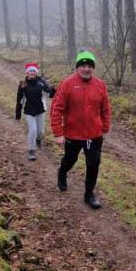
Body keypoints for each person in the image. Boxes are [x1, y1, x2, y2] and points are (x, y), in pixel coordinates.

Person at [51, 51, 111, 209]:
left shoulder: (100, 85)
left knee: (93, 164)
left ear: (93, 68)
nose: (86, 69)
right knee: (70, 160)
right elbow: (56, 109)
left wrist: (105, 127)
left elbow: (105, 109)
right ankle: (62, 172)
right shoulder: (67, 83)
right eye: (83, 65)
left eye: (90, 66)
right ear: (77, 67)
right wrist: (58, 133)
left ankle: (89, 194)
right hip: (73, 133)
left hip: (94, 134)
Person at [16, 63, 55, 161]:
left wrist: (54, 90)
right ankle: (31, 150)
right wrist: (18, 114)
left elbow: (49, 93)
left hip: (40, 110)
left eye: (34, 71)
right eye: (30, 71)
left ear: (36, 72)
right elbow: (19, 100)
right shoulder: (23, 84)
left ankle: (38, 139)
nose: (32, 72)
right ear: (27, 72)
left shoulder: (41, 82)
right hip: (29, 111)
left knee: (40, 131)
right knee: (32, 130)